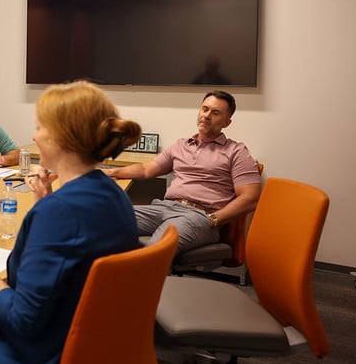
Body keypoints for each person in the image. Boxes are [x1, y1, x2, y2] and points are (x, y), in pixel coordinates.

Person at [0, 80, 141, 364]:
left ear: (62, 138)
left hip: (49, 351)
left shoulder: (58, 213)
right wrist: (43, 200)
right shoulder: (113, 193)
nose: (34, 137)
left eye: (40, 128)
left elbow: (23, 320)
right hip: (96, 339)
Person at [103, 90, 261, 253]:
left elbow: (250, 198)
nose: (207, 116)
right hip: (162, 208)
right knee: (101, 220)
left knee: (155, 250)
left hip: (198, 216)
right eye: (204, 109)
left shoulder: (236, 151)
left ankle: (137, 276)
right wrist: (109, 173)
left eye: (215, 113)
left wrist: (213, 219)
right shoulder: (181, 146)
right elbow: (145, 170)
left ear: (227, 122)